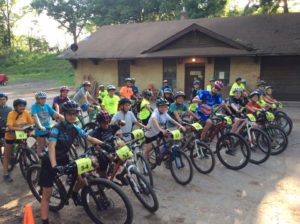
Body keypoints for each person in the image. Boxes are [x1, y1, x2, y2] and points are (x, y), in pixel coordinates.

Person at [38, 101, 106, 224]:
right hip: (50, 160)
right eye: (69, 114)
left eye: (75, 114)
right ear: (64, 114)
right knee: (47, 194)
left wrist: (104, 144)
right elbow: (52, 146)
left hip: (64, 157)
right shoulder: (56, 128)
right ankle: (44, 220)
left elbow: (88, 138)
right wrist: (54, 165)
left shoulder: (75, 127)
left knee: (80, 178)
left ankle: (74, 194)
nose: (72, 116)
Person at [90, 110, 127, 184]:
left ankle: (119, 176)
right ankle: (104, 183)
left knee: (126, 160)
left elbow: (119, 129)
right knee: (103, 167)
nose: (106, 125)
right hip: (102, 152)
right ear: (99, 123)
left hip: (112, 149)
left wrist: (119, 135)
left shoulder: (112, 127)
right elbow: (95, 145)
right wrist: (105, 153)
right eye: (104, 123)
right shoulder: (96, 133)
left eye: (108, 122)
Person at [3, 99, 34, 183]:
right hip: (11, 136)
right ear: (16, 107)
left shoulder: (26, 113)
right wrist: (21, 128)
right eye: (20, 106)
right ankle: (5, 174)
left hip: (21, 135)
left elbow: (31, 123)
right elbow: (10, 127)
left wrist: (30, 129)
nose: (22, 107)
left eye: (23, 105)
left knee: (27, 147)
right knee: (7, 155)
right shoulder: (11, 114)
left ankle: (29, 160)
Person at [32, 92, 64, 156]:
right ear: (37, 100)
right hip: (40, 129)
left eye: (44, 98)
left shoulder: (47, 106)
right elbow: (35, 116)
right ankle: (39, 162)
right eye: (41, 99)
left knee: (52, 143)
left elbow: (54, 113)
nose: (44, 100)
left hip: (48, 128)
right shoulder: (34, 106)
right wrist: (40, 125)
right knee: (41, 147)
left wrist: (63, 118)